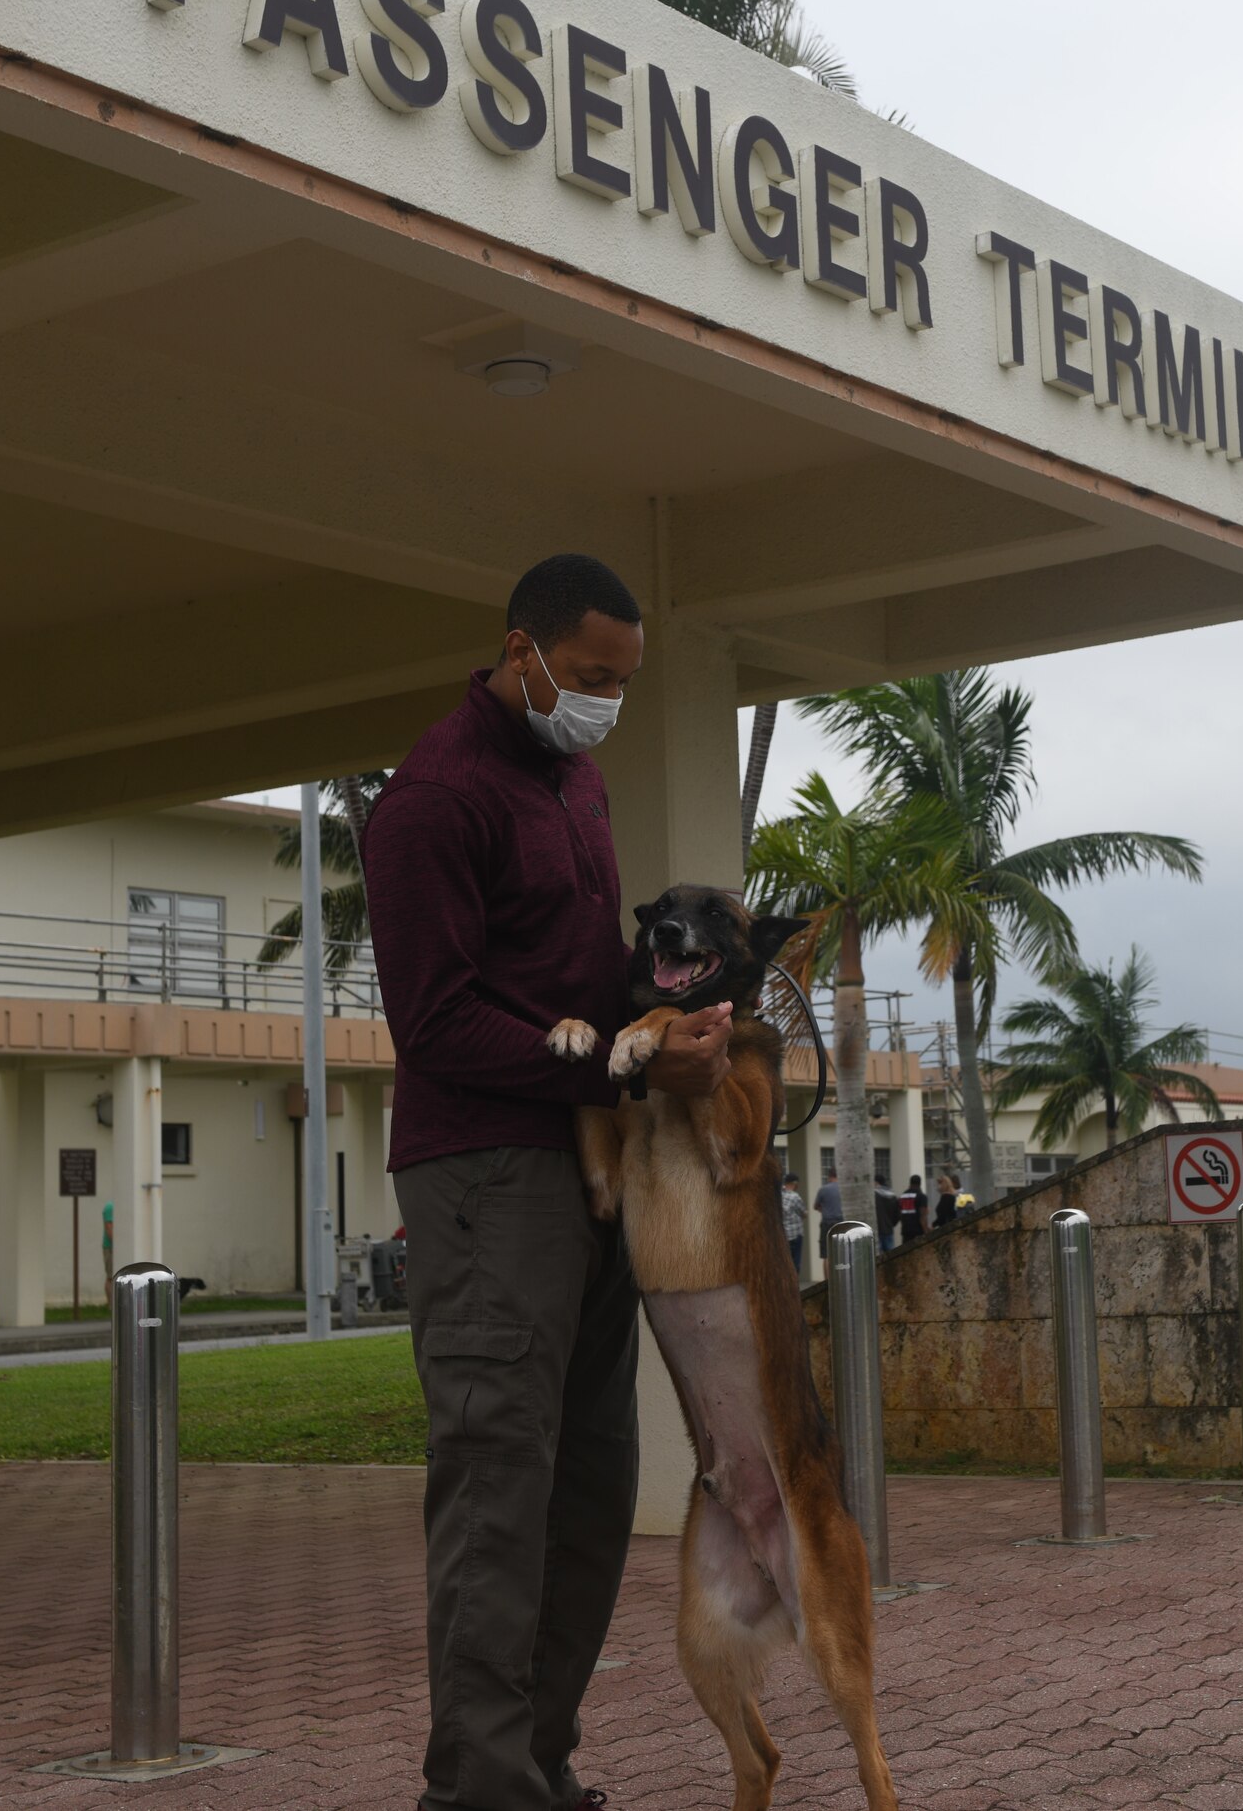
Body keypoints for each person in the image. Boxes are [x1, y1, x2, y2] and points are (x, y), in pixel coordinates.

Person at [362, 553, 733, 1811]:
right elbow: (436, 1023)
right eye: (587, 679)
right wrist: (623, 1072)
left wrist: (669, 1029)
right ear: (518, 651)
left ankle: (536, 1768)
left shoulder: (574, 781)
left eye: (623, 684)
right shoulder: (432, 800)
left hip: (590, 1165)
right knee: (497, 1483)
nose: (604, 704)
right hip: (482, 1172)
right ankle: (478, 1788)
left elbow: (579, 985)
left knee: (589, 1486)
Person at [779, 1172, 807, 1278]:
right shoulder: (794, 1197)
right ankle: (794, 1284)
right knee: (795, 1263)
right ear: (794, 1184)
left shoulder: (778, 1195)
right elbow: (804, 1213)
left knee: (784, 1262)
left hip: (782, 1236)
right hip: (795, 1235)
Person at [814, 1170, 843, 1251]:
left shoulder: (823, 1189)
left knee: (826, 1253)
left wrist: (823, 1209)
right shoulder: (843, 1189)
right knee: (840, 1251)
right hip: (840, 1223)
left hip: (827, 1223)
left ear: (830, 1177)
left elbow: (815, 1206)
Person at [872, 1176, 900, 1253]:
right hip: (888, 1230)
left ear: (876, 1182)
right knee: (891, 1255)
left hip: (878, 1229)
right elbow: (897, 1213)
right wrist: (891, 1224)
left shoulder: (874, 1196)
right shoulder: (893, 1196)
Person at [898, 1175, 926, 1244]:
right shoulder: (921, 1196)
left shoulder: (903, 1196)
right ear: (920, 1183)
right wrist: (926, 1230)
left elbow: (899, 1212)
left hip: (905, 1230)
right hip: (917, 1231)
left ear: (910, 1183)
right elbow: (922, 1215)